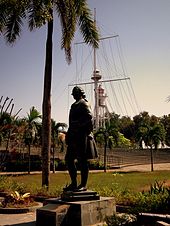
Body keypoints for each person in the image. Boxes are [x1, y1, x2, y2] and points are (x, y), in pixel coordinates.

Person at [64, 86, 98, 192]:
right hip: (74, 136)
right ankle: (74, 183)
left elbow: (90, 117)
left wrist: (79, 126)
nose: (73, 95)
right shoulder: (74, 105)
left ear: (80, 93)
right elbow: (71, 122)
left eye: (75, 93)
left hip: (81, 136)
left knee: (82, 161)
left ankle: (83, 184)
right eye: (73, 93)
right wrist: (69, 134)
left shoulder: (83, 103)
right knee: (69, 159)